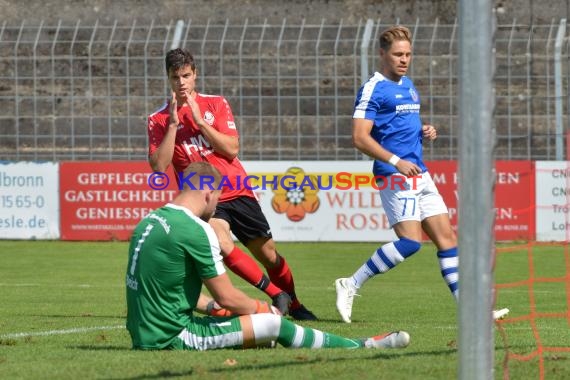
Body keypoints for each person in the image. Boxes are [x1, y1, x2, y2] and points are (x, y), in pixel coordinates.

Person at [126, 161, 410, 351]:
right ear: (207, 191)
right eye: (218, 197)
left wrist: (212, 308)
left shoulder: (148, 221)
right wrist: (264, 308)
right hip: (174, 337)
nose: (217, 206)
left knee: (259, 329)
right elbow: (228, 297)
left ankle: (264, 338)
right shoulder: (195, 230)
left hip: (144, 333)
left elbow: (167, 291)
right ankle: (361, 345)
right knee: (272, 323)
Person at [334, 25, 509, 324]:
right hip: (395, 174)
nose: (404, 59)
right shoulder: (373, 88)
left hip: (420, 173)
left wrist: (424, 130)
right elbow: (360, 137)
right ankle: (350, 283)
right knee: (411, 243)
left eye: (408, 54)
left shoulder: (408, 84)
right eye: (398, 54)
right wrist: (395, 160)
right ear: (382, 54)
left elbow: (400, 125)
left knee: (448, 240)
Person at [147, 48, 316, 320]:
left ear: (195, 75)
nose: (182, 83)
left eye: (186, 75)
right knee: (221, 243)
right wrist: (172, 126)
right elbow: (158, 165)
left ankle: (294, 304)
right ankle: (275, 294)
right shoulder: (158, 119)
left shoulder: (216, 104)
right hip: (206, 200)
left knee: (270, 256)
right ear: (168, 78)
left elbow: (232, 149)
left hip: (237, 190)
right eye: (175, 77)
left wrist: (201, 122)